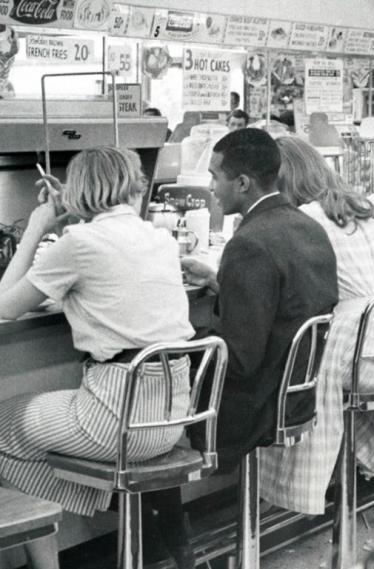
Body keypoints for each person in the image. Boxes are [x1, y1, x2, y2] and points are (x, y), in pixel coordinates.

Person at [0, 147, 194, 568]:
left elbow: (5, 306)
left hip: (113, 420)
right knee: (30, 439)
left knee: (3, 427)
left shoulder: (79, 243)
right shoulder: (158, 237)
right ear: (133, 184)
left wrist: (37, 226)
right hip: (169, 420)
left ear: (81, 190)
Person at [260, 136, 374, 514]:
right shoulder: (358, 209)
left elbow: (281, 286)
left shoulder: (307, 218)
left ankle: (274, 491)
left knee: (267, 369)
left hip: (353, 352)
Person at [181, 128, 338, 455]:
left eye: (214, 177)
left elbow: (238, 360)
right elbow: (278, 306)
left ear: (242, 183)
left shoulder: (249, 244)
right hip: (298, 394)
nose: (211, 188)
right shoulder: (310, 227)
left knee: (142, 392)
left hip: (253, 409)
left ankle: (153, 504)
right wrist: (217, 281)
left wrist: (178, 342)